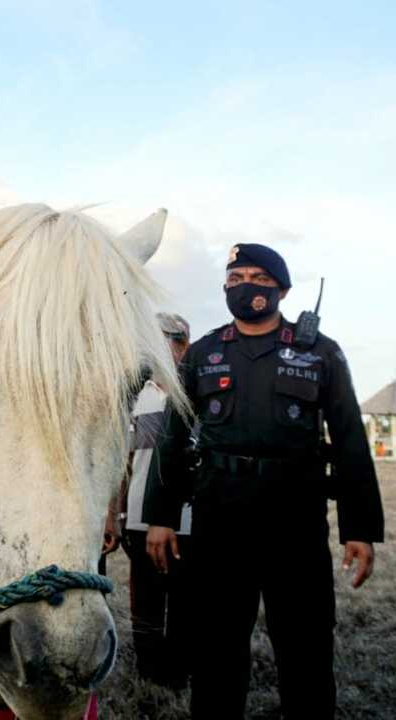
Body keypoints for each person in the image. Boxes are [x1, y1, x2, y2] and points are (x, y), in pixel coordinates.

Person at [143, 243, 385, 719]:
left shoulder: (320, 353)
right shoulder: (204, 353)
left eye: (256, 277)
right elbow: (172, 437)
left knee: (306, 648)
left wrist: (359, 529)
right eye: (234, 279)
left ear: (282, 289)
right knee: (216, 649)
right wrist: (160, 517)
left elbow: (352, 441)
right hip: (219, 519)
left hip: (295, 521)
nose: (245, 286)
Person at [108, 313, 194, 689]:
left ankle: (178, 669)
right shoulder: (135, 397)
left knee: (186, 600)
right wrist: (111, 517)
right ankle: (147, 670)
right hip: (139, 520)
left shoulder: (199, 395)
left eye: (165, 340)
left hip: (190, 521)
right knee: (145, 600)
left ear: (183, 343)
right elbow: (121, 464)